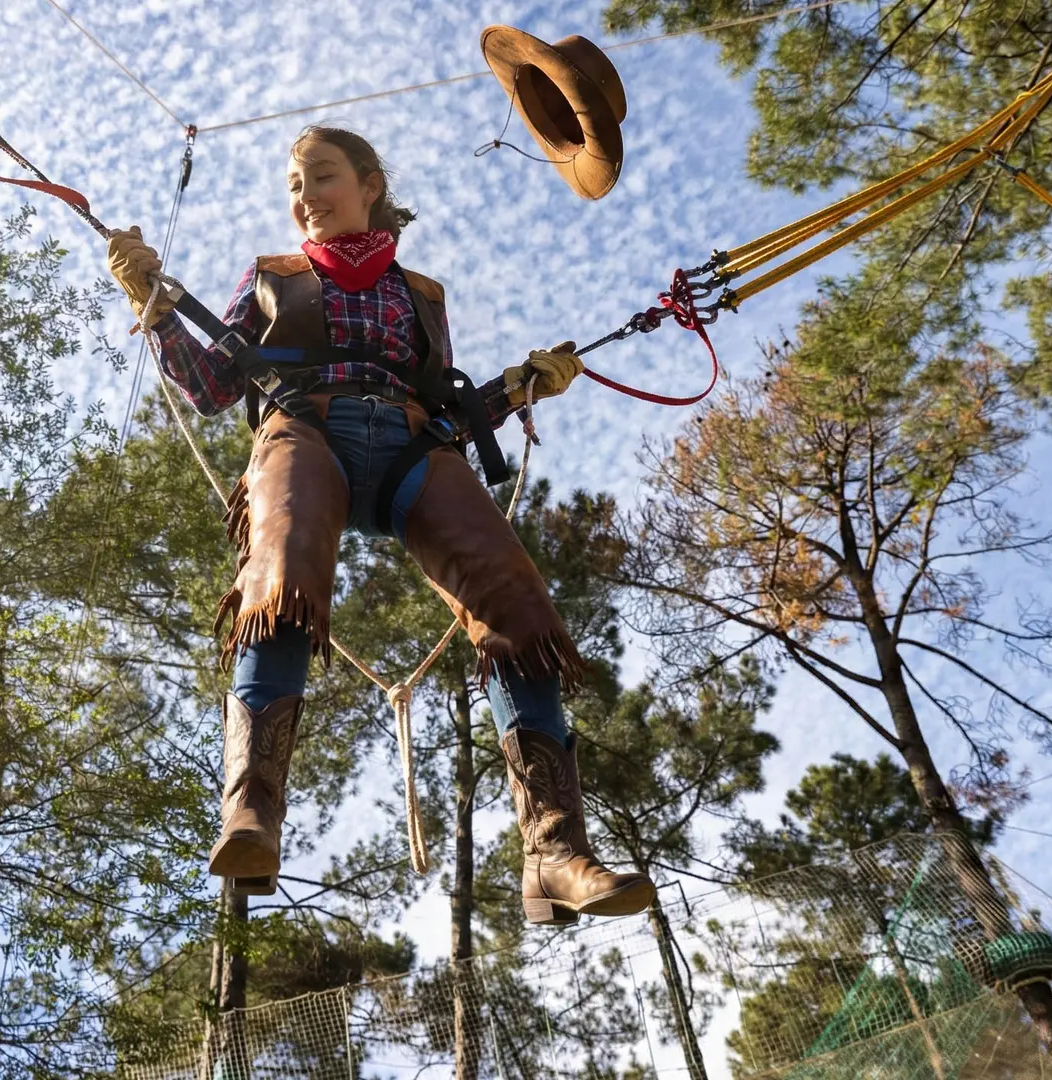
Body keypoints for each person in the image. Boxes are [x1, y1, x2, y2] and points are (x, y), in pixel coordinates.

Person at [107, 126, 654, 926]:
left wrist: (520, 388)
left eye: (320, 177)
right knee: (282, 569)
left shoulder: (422, 296)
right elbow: (213, 387)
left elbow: (448, 412)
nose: (304, 196)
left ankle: (554, 851)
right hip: (306, 432)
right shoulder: (269, 278)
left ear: (370, 185)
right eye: (294, 184)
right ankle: (252, 812)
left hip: (411, 450)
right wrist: (152, 306)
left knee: (517, 603)